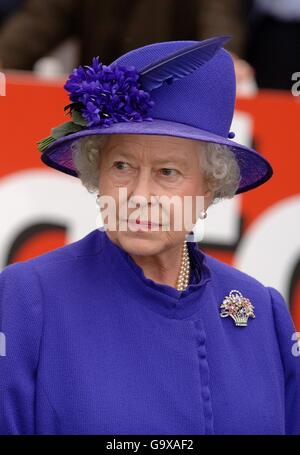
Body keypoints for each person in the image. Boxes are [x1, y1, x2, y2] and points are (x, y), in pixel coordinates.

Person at [0, 36, 299, 435]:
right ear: (97, 174)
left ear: (209, 188)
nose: (139, 197)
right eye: (122, 166)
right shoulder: (27, 298)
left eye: (168, 172)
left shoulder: (264, 312)